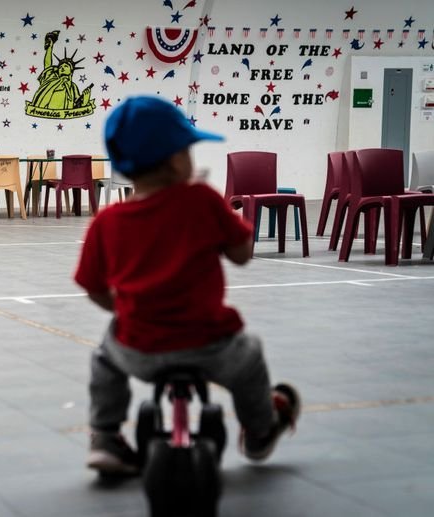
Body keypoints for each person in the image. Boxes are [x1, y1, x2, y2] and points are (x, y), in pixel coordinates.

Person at [74, 95, 301, 475]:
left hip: (139, 347)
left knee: (104, 359)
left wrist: (124, 309)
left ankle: (105, 437)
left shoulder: (106, 221)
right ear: (177, 160)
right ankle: (261, 430)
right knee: (250, 355)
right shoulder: (201, 200)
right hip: (210, 345)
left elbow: (93, 287)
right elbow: (242, 254)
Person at [30, 31, 93, 111]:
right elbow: (47, 65)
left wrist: (85, 100)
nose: (62, 68)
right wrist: (50, 48)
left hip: (64, 116)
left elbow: (77, 106)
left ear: (71, 71)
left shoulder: (73, 87)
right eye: (60, 67)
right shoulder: (51, 79)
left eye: (66, 66)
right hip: (45, 114)